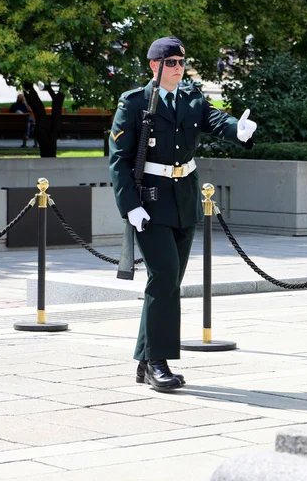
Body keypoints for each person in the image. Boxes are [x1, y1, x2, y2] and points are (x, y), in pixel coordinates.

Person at [109, 36, 257, 393]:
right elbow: (119, 159)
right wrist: (130, 206)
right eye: (170, 62)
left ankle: (146, 361)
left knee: (167, 283)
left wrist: (238, 129)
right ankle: (159, 362)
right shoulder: (135, 102)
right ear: (153, 66)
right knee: (164, 278)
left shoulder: (192, 97)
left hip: (185, 199)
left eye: (180, 62)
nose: (177, 68)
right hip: (151, 203)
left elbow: (215, 119)